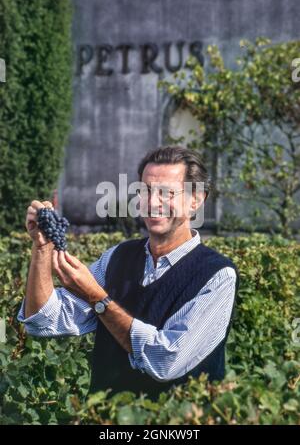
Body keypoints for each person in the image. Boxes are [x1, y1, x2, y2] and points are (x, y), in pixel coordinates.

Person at [18, 146, 239, 401]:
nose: (153, 202)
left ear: (196, 200)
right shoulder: (117, 258)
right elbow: (43, 320)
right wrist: (42, 247)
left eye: (166, 193)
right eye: (145, 191)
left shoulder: (218, 275)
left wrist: (98, 299)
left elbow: (166, 361)